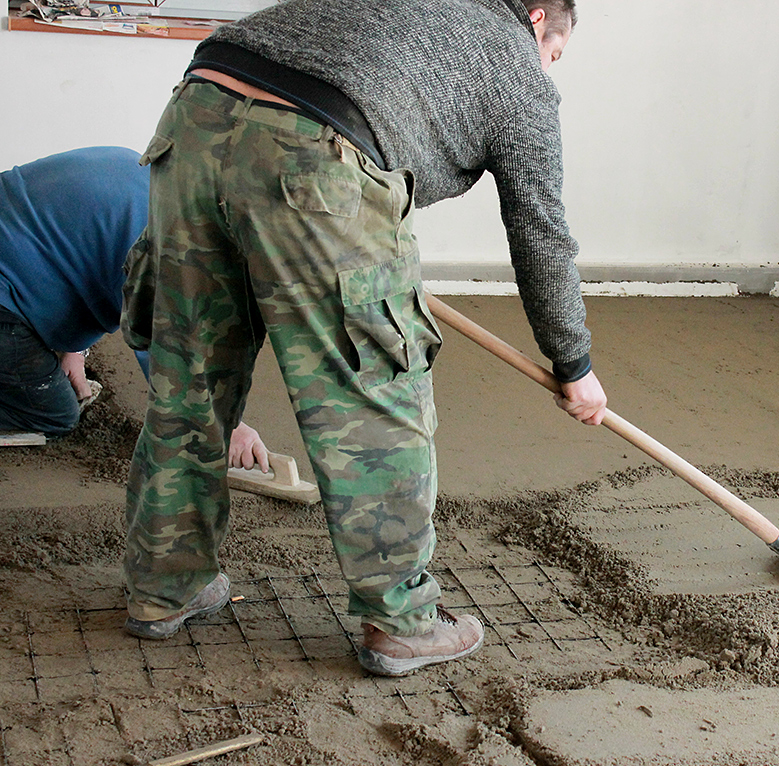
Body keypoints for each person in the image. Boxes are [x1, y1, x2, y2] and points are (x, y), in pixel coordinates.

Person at [121, 0, 607, 677]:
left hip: (193, 122)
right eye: (554, 53)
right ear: (535, 19)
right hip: (314, 155)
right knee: (375, 395)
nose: (547, 69)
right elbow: (540, 230)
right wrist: (574, 362)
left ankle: (162, 587)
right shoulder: (518, 69)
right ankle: (402, 623)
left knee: (190, 376)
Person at [0, 146, 268, 468]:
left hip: (13, 249)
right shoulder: (167, 241)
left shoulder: (156, 175)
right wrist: (225, 426)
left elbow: (84, 245)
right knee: (53, 413)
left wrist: (74, 350)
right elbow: (165, 351)